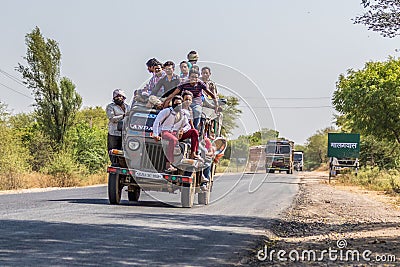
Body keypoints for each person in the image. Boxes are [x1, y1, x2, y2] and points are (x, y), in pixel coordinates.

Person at [152, 95, 199, 172]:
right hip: (166, 131)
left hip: (177, 133)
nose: (177, 105)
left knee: (194, 132)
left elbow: (187, 125)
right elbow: (157, 122)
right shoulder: (166, 111)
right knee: (173, 140)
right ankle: (168, 164)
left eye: (179, 104)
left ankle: (193, 153)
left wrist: (182, 130)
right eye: (176, 103)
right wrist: (156, 134)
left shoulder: (183, 114)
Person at [106, 89, 130, 162]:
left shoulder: (127, 107)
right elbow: (112, 118)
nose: (119, 98)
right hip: (113, 133)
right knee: (113, 152)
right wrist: (123, 116)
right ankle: (114, 164)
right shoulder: (110, 107)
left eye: (120, 96)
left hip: (125, 134)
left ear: (123, 97)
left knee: (123, 152)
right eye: (117, 96)